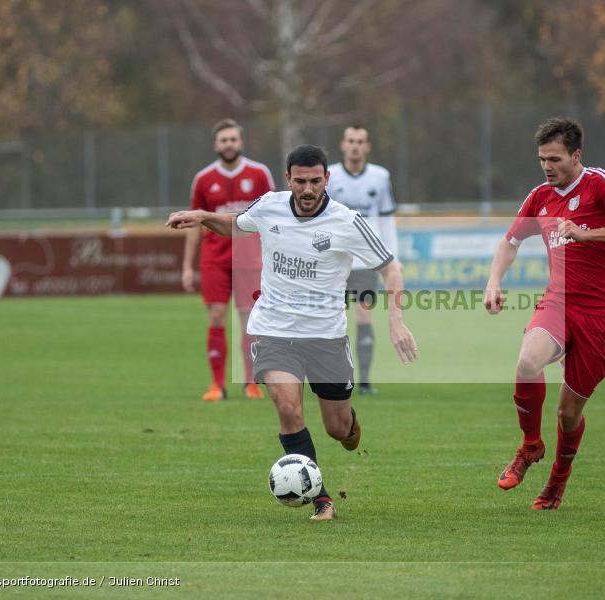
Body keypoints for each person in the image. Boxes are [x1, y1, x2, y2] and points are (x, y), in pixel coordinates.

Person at [167, 144, 417, 520]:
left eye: (315, 181)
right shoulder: (269, 205)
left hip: (326, 337)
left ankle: (349, 423)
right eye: (300, 181)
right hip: (273, 330)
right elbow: (235, 225)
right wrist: (202, 216)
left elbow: (390, 268)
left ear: (326, 179)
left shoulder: (346, 221)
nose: (308, 189)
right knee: (288, 409)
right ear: (288, 179)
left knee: (337, 428)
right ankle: (321, 499)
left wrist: (396, 320)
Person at [484, 118, 605, 510]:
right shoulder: (540, 196)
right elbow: (510, 242)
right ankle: (530, 446)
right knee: (527, 362)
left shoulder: (601, 184)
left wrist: (587, 234)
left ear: (576, 156)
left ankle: (557, 482)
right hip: (558, 302)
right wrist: (494, 281)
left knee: (568, 411)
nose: (547, 167)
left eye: (554, 159)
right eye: (542, 159)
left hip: (603, 314)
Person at [182, 119, 275, 401]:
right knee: (217, 317)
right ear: (216, 144)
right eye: (223, 140)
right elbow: (194, 224)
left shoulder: (259, 174)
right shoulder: (203, 179)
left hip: (249, 260)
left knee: (250, 320)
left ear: (241, 142)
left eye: (233, 139)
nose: (228, 144)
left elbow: (272, 217)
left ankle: (250, 383)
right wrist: (187, 266)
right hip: (215, 260)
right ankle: (217, 385)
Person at [327, 126, 399, 395]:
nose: (355, 146)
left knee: (363, 316)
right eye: (350, 141)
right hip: (335, 261)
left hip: (366, 263)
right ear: (343, 145)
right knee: (331, 320)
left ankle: (365, 380)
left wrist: (394, 259)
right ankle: (334, 377)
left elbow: (387, 218)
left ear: (367, 146)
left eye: (360, 142)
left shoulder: (380, 177)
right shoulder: (330, 177)